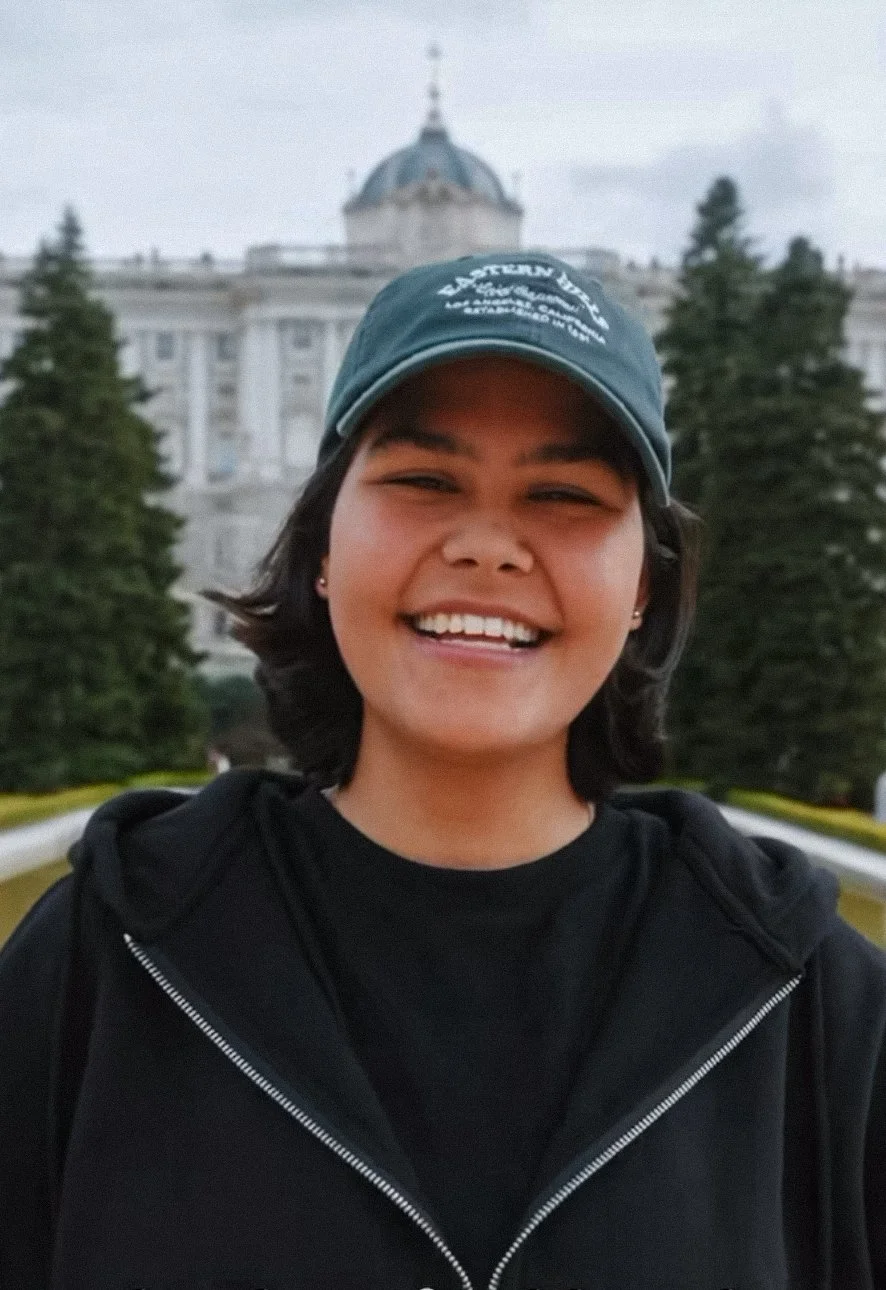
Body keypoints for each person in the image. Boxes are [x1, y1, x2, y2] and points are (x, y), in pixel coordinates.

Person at [1, 251, 884, 1290]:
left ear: (644, 584)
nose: (487, 546)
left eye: (563, 493)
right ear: (322, 545)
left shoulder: (804, 994)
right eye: (423, 480)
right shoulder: (110, 957)